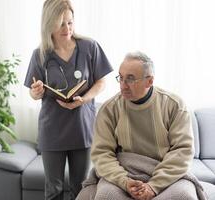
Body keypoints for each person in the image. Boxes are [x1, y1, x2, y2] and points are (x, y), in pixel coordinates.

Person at [80, 51, 200, 200]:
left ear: (149, 81)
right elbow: (102, 154)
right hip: (124, 173)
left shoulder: (174, 105)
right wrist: (125, 182)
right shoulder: (109, 109)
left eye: (130, 79)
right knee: (106, 195)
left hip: (166, 175)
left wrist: (153, 186)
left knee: (184, 195)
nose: (123, 86)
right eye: (121, 78)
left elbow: (183, 151)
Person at [24, 0, 113, 199]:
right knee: (53, 190)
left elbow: (101, 82)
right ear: (49, 23)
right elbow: (33, 91)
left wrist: (85, 98)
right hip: (52, 129)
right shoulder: (40, 55)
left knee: (80, 189)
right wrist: (35, 92)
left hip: (81, 128)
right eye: (61, 23)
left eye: (70, 22)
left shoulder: (90, 47)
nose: (67, 28)